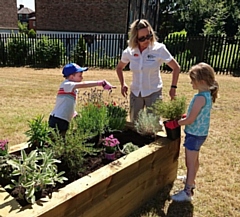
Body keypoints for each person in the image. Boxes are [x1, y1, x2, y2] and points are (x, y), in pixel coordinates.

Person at [171, 62, 219, 202]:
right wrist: (186, 117)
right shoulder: (206, 95)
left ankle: (187, 191)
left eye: (193, 81)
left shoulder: (199, 98)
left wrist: (176, 123)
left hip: (194, 135)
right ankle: (190, 179)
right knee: (195, 160)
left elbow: (191, 120)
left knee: (190, 163)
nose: (191, 83)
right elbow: (196, 115)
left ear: (201, 81)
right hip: (200, 134)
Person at [116, 19, 180, 122]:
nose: (146, 40)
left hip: (153, 93)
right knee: (135, 125)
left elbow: (176, 68)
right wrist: (123, 84)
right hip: (136, 93)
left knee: (153, 126)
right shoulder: (129, 51)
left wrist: (173, 88)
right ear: (135, 38)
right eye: (142, 38)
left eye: (149, 36)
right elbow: (119, 68)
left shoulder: (159, 49)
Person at [48, 63, 115, 136]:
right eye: (80, 75)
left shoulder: (73, 88)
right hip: (58, 119)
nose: (82, 78)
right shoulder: (67, 85)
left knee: (61, 139)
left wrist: (73, 113)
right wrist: (101, 83)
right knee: (54, 139)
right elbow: (84, 84)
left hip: (63, 119)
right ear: (71, 77)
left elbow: (67, 103)